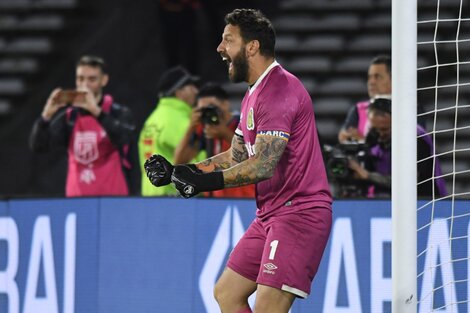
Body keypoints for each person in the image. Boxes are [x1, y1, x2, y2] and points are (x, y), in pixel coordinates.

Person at [144, 8, 332, 313]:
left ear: (252, 46)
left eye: (227, 40)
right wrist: (179, 172)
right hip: (271, 214)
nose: (219, 48)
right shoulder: (253, 94)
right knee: (227, 293)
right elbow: (236, 155)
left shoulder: (280, 90)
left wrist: (202, 182)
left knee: (267, 308)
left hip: (299, 214)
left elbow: (263, 165)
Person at [29, 55, 135, 197]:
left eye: (91, 79)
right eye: (80, 79)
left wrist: (97, 112)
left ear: (104, 80)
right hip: (77, 204)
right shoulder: (69, 118)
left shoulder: (117, 113)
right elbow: (39, 146)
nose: (85, 85)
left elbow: (125, 139)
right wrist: (46, 115)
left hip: (113, 202)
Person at [348, 97, 447, 198]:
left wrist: (368, 176)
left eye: (384, 129)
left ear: (398, 123)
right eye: (376, 129)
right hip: (387, 199)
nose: (380, 134)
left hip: (423, 200)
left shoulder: (416, 140)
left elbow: (409, 182)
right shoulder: (373, 136)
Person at [174, 83, 255, 198]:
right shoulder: (205, 130)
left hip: (245, 199)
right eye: (203, 109)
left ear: (226, 104)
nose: (208, 112)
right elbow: (179, 163)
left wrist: (225, 133)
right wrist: (191, 127)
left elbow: (256, 157)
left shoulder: (243, 123)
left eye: (212, 106)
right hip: (216, 201)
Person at [138, 65, 205, 196]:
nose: (196, 91)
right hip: (172, 195)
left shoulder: (153, 119)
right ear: (178, 92)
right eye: (191, 86)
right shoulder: (177, 119)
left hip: (150, 194)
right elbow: (196, 159)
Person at [338, 55, 392, 143]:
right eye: (369, 77)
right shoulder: (358, 110)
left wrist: (364, 141)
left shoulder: (410, 110)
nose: (371, 82)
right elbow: (345, 137)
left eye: (377, 77)